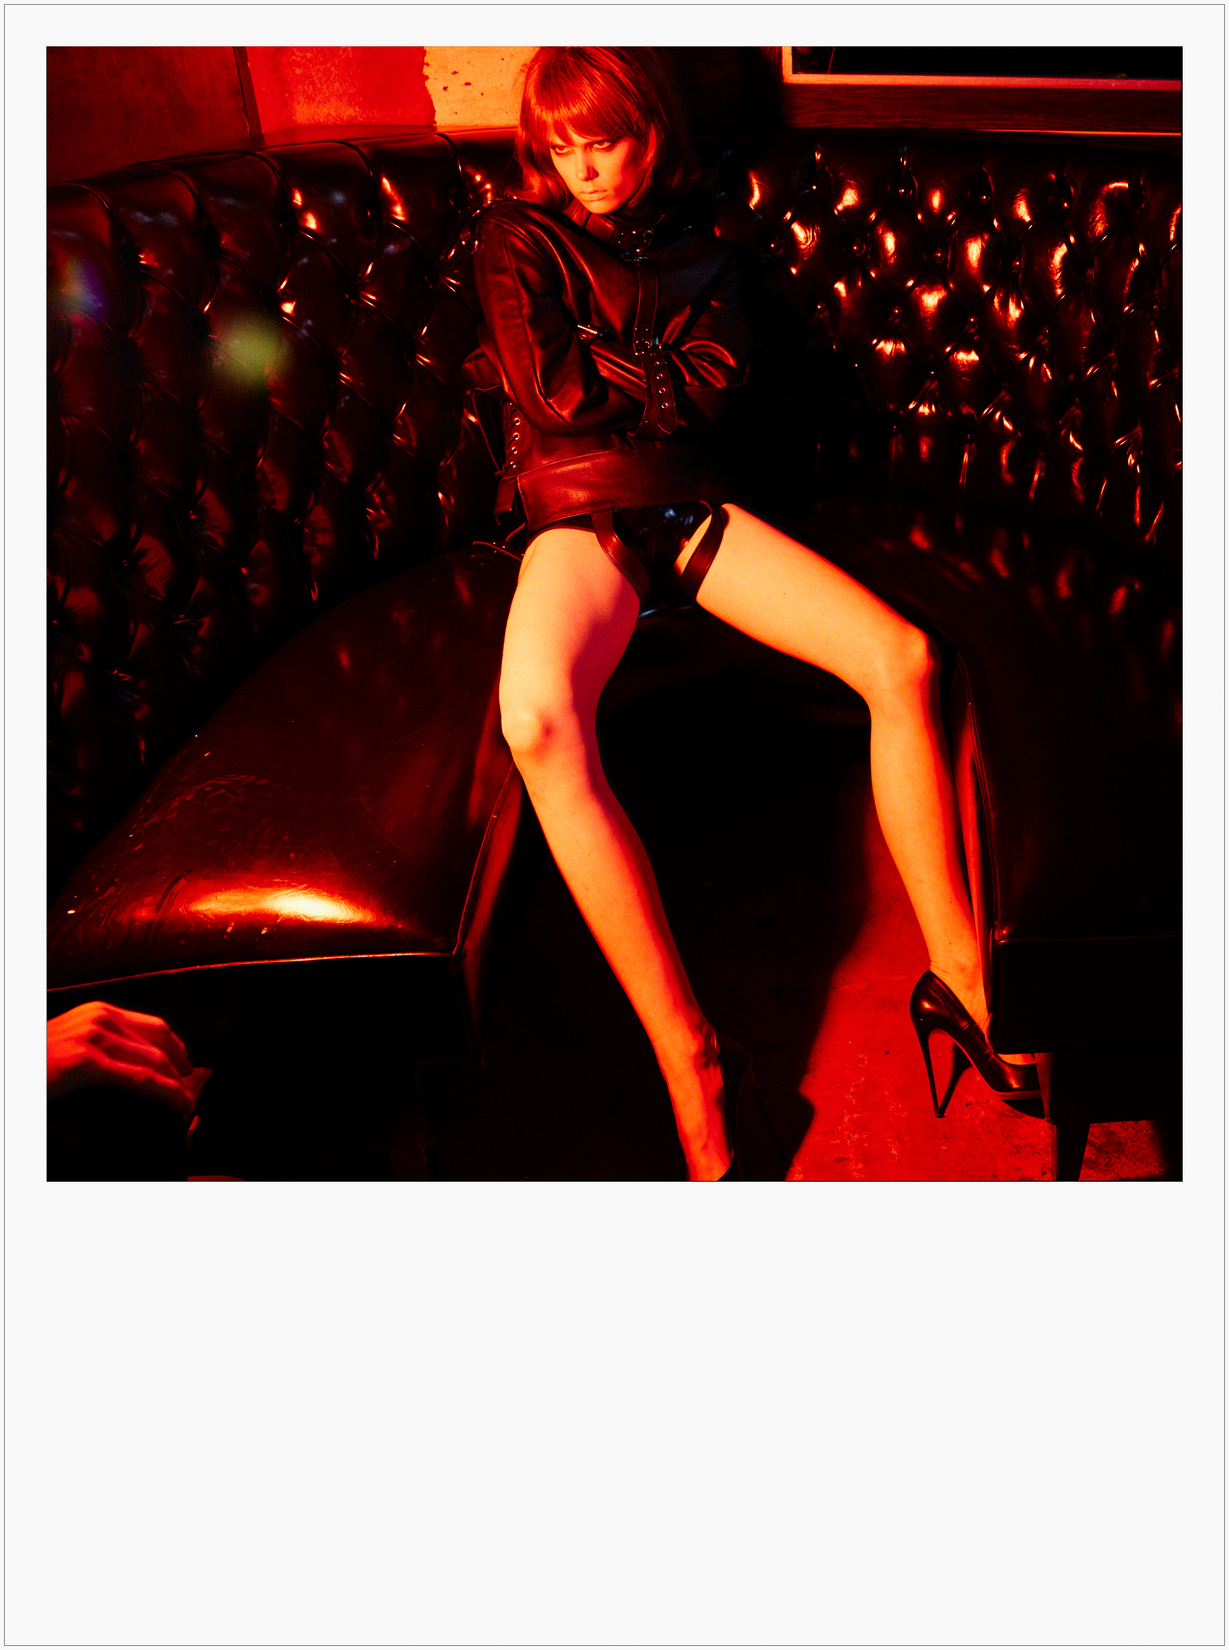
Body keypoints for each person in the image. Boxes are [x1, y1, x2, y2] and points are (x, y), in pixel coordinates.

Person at [473, 47, 1039, 1181]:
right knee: (534, 720)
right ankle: (690, 1055)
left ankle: (960, 979)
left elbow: (719, 388)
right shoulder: (515, 237)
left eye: (606, 142)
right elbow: (554, 396)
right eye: (562, 147)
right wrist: (659, 371)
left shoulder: (716, 255)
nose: (584, 169)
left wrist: (623, 367)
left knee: (902, 658)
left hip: (690, 505)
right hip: (578, 510)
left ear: (651, 133)